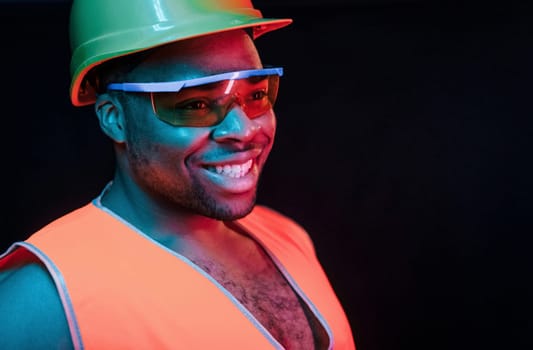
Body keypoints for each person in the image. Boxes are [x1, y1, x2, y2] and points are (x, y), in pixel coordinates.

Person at [0, 0, 355, 349]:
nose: (243, 129)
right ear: (114, 117)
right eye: (195, 104)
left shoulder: (288, 236)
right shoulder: (44, 296)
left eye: (256, 94)